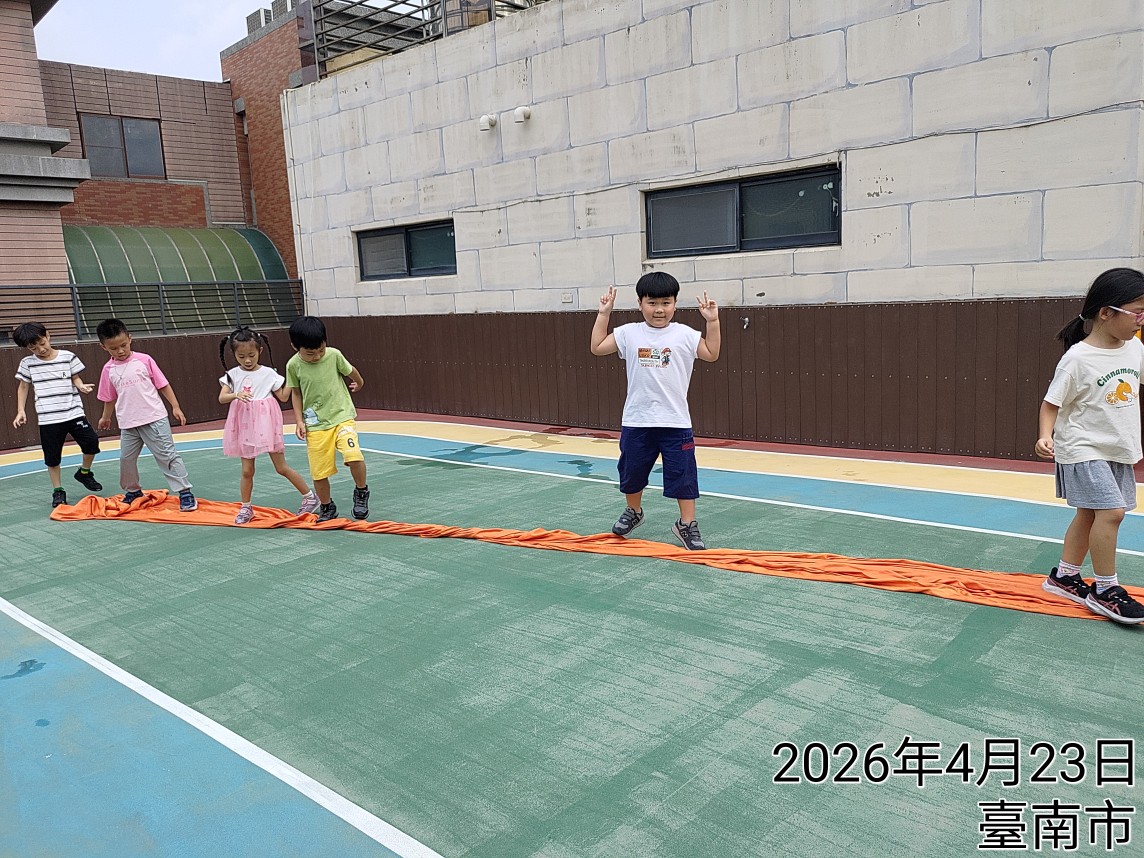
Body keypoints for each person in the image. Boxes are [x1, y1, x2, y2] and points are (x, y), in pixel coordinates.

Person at [1036, 268, 1144, 624]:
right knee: (1111, 513)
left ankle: (1064, 577)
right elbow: (1051, 403)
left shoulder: (1135, 348)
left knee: (1088, 513)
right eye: (1137, 312)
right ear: (1106, 312)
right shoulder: (1077, 359)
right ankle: (1105, 590)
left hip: (1118, 447)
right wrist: (1045, 435)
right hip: (1082, 447)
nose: (1142, 320)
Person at [590, 271, 721, 550]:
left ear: (675, 304)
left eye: (665, 302)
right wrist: (604, 313)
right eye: (652, 303)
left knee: (684, 474)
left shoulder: (685, 334)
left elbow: (711, 353)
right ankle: (634, 511)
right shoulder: (629, 333)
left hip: (676, 422)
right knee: (632, 472)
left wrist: (713, 322)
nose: (659, 309)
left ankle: (686, 524)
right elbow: (598, 347)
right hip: (637, 420)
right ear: (640, 303)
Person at [218, 326, 320, 524]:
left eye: (251, 355)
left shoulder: (268, 373)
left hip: (266, 424)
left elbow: (283, 396)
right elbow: (222, 397)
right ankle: (246, 507)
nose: (247, 360)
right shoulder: (232, 375)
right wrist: (236, 394)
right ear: (234, 354)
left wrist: (293, 378)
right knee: (247, 471)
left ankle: (310, 497)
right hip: (245, 425)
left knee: (281, 467)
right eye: (241, 356)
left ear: (260, 351)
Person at [94, 318, 197, 512]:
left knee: (167, 456)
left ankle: (185, 492)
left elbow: (163, 384)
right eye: (114, 348)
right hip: (128, 423)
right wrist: (105, 417)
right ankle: (133, 491)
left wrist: (175, 407)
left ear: (130, 338)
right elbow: (109, 397)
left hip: (154, 418)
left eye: (123, 345)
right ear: (103, 347)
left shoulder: (144, 360)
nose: (120, 351)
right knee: (126, 459)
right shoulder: (108, 370)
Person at [285, 315, 369, 523]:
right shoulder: (293, 365)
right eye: (310, 353)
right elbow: (296, 393)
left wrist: (359, 382)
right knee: (319, 471)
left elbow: (351, 370)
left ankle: (361, 492)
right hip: (316, 425)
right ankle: (327, 506)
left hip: (341, 417)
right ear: (295, 347)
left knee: (354, 455)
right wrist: (299, 421)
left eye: (321, 350)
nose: (317, 356)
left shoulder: (334, 355)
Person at [11, 322, 102, 508]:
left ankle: (84, 473)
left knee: (91, 443)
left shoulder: (67, 356)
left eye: (42, 343)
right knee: (52, 458)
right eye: (33, 348)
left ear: (48, 335)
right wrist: (21, 410)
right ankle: (58, 491)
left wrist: (81, 386)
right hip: (48, 418)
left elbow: (75, 377)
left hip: (74, 412)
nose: (40, 349)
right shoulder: (27, 363)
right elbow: (23, 387)